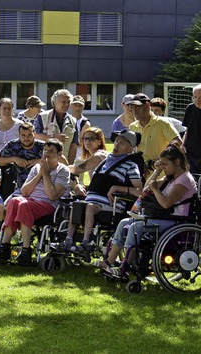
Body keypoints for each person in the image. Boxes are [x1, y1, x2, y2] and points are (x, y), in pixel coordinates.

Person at [100, 145, 197, 277]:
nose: (164, 167)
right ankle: (109, 262)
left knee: (136, 227)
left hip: (176, 221)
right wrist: (157, 171)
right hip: (164, 218)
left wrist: (156, 189)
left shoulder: (184, 180)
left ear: (178, 162)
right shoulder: (171, 178)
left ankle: (125, 266)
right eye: (161, 164)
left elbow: (166, 204)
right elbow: (146, 189)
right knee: (124, 222)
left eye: (165, 164)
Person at [52, 130, 142, 255]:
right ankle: (68, 241)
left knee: (90, 207)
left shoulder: (131, 165)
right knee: (76, 205)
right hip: (92, 199)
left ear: (130, 148)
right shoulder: (105, 161)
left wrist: (117, 188)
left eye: (122, 143)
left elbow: (140, 191)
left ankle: (86, 243)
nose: (116, 144)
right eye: (116, 141)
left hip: (113, 205)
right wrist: (81, 187)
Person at [0, 139, 70, 266]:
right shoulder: (36, 168)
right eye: (45, 150)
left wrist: (45, 175)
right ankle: (5, 245)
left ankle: (26, 249)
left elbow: (52, 196)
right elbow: (25, 192)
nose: (46, 153)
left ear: (59, 155)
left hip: (49, 206)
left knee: (24, 205)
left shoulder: (63, 171)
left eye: (51, 151)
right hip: (30, 202)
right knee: (14, 201)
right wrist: (39, 174)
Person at [127, 93, 181, 175]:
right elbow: (129, 150)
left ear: (148, 105)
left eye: (138, 107)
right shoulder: (132, 127)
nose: (135, 111)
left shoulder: (162, 123)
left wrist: (162, 160)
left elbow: (177, 142)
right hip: (140, 173)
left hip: (162, 174)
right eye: (132, 108)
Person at [0, 122, 45, 195]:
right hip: (19, 187)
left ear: (34, 134)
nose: (26, 138)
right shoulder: (13, 145)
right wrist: (13, 159)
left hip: (40, 188)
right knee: (7, 205)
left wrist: (38, 161)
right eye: (23, 135)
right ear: (19, 135)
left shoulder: (44, 146)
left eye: (29, 135)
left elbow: (61, 160)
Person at [35, 89, 77, 164]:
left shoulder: (73, 121)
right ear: (54, 102)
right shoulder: (42, 117)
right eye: (63, 102)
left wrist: (69, 165)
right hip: (45, 163)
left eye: (68, 102)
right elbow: (36, 137)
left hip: (64, 163)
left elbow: (73, 146)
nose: (66, 105)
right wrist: (53, 138)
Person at [69, 127, 108, 196]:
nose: (88, 141)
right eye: (85, 139)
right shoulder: (95, 155)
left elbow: (76, 169)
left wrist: (58, 166)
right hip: (99, 190)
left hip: (104, 194)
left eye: (92, 139)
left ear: (100, 141)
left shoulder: (99, 156)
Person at [182, 84, 201, 173]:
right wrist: (182, 144)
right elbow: (187, 129)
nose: (198, 100)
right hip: (190, 153)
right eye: (195, 97)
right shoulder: (190, 108)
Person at [70, 95, 91, 174]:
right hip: (67, 153)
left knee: (79, 178)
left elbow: (81, 141)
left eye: (80, 105)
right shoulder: (67, 120)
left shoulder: (85, 123)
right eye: (75, 105)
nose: (77, 108)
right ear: (71, 106)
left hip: (80, 155)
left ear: (83, 107)